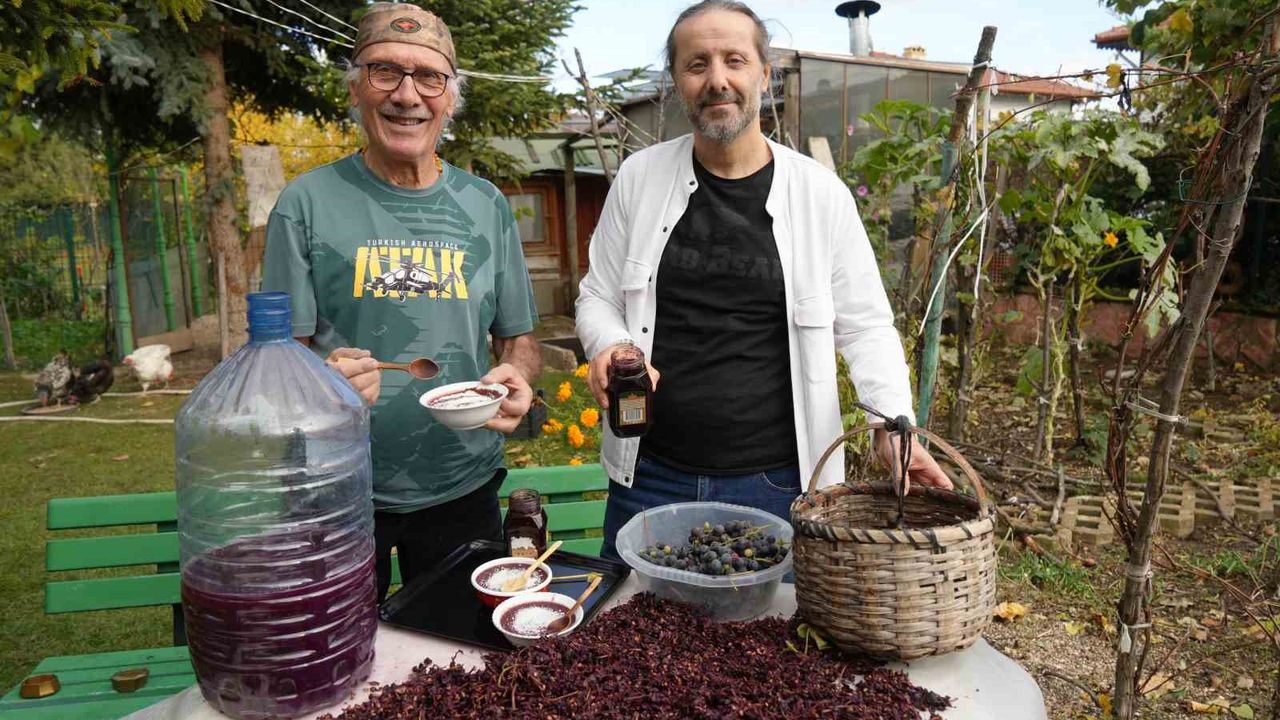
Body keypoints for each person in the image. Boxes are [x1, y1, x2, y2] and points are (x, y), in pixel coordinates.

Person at [575, 0, 952, 562]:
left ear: (763, 73)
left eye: (735, 60)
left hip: (780, 485)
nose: (717, 80)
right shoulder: (639, 179)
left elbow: (866, 326)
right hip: (648, 476)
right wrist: (611, 344)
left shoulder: (819, 195)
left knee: (777, 622)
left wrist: (889, 423)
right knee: (635, 618)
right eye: (697, 64)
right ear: (677, 80)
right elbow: (598, 296)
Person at [261, 2, 541, 601]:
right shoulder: (305, 203)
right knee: (340, 648)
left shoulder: (485, 205)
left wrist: (518, 373)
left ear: (450, 98)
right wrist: (322, 384)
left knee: (457, 647)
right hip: (335, 487)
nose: (407, 95)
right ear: (356, 88)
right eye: (385, 71)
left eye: (429, 77)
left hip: (463, 486)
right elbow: (272, 359)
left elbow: (517, 337)